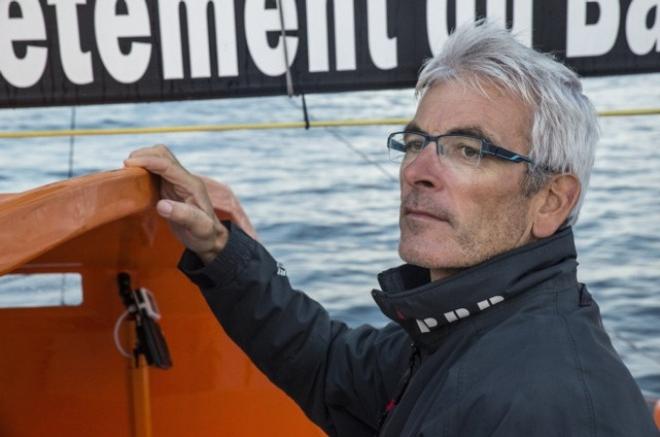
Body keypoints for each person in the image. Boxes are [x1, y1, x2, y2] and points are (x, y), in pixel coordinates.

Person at [125, 20, 658, 436]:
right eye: (414, 142)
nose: (416, 171)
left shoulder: (545, 406)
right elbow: (328, 365)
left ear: (550, 201)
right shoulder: (458, 328)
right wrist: (219, 249)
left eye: (468, 149)